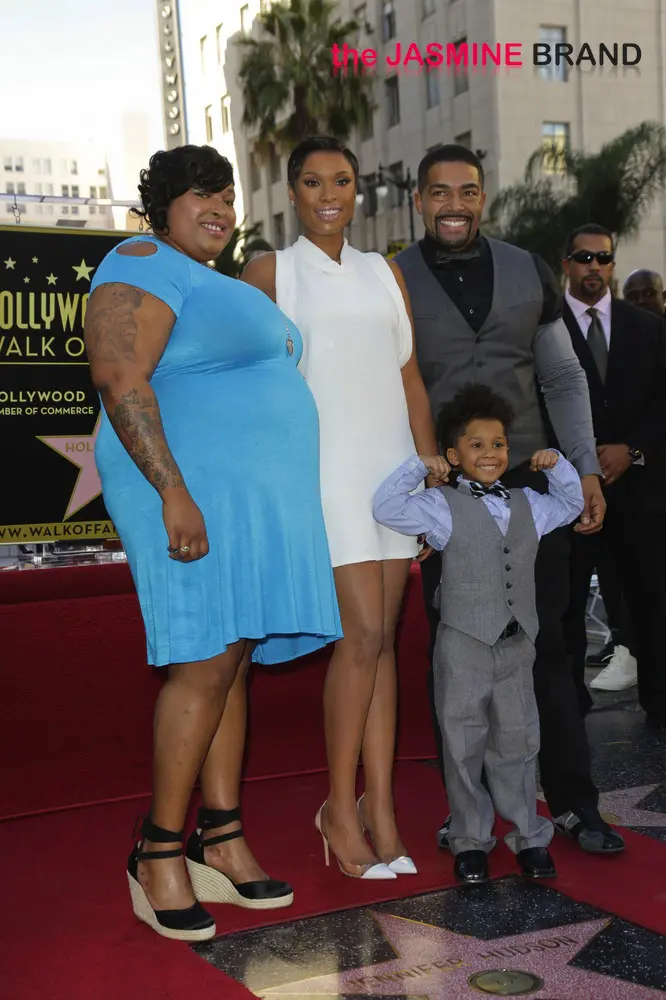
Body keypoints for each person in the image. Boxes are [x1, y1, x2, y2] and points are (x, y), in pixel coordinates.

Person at [84, 145, 342, 941]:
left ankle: (220, 837)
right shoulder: (141, 259)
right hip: (184, 492)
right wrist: (173, 492)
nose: (221, 209)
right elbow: (118, 376)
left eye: (228, 196)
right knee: (203, 663)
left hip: (244, 502)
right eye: (202, 194)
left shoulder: (215, 281)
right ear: (161, 205)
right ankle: (157, 850)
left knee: (231, 662)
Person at [395, 144, 625, 856]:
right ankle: (467, 816)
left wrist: (584, 468)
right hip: (447, 494)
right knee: (456, 655)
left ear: (483, 198)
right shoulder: (392, 278)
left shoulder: (528, 269)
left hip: (528, 481)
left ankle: (574, 802)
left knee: (549, 645)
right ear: (418, 200)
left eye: (467, 191)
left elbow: (562, 377)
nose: (454, 205)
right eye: (439, 192)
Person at [242, 135, 441, 879]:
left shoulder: (383, 271)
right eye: (313, 181)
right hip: (324, 474)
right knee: (360, 637)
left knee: (384, 641)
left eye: (343, 180)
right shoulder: (272, 272)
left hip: (392, 471)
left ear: (358, 190)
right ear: (292, 192)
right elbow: (249, 384)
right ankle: (337, 807)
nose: (330, 194)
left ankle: (380, 809)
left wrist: (428, 474)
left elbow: (410, 379)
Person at [373, 384, 584, 883]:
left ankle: (529, 836)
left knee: (518, 740)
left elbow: (572, 504)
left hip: (516, 644)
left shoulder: (530, 502)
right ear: (454, 456)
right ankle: (469, 839)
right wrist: (418, 467)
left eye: (499, 444)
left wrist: (557, 466)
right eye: (477, 444)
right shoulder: (440, 505)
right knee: (462, 741)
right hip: (463, 643)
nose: (490, 453)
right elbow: (386, 508)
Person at [560, 224, 666, 729]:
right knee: (566, 606)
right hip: (568, 493)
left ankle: (660, 703)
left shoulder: (647, 327)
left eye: (603, 258)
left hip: (640, 493)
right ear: (566, 264)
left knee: (652, 601)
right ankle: (566, 710)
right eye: (584, 258)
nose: (594, 267)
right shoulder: (545, 326)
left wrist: (632, 450)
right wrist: (579, 462)